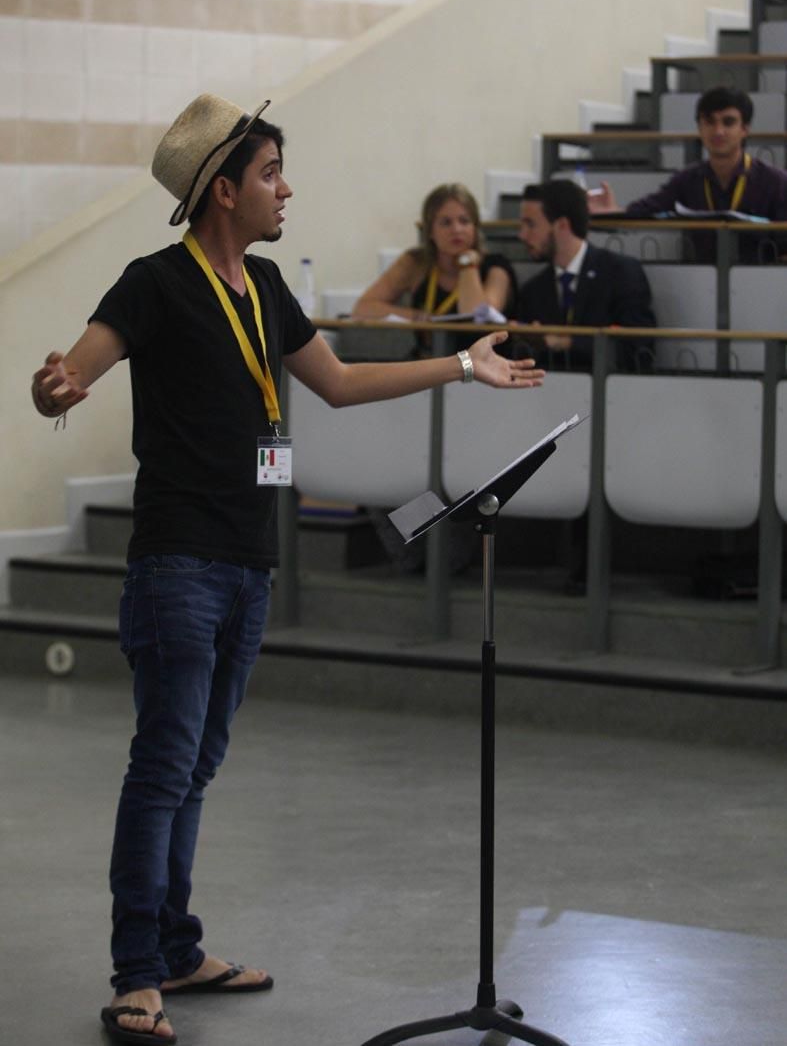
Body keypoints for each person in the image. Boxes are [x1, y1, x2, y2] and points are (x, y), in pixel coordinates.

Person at [30, 94, 544, 1046]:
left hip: (246, 563)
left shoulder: (265, 286)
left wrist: (462, 367)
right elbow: (74, 370)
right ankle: (137, 973)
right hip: (176, 564)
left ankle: (177, 947)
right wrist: (49, 383)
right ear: (222, 191)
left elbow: (341, 384)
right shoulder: (151, 283)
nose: (285, 189)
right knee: (163, 768)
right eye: (271, 174)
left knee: (197, 768)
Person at [587, 86, 787, 263]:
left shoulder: (775, 182)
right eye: (709, 122)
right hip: (702, 282)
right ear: (699, 128)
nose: (718, 131)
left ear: (744, 129)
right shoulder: (687, 179)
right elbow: (647, 209)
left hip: (762, 282)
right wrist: (615, 213)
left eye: (728, 122)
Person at [352, 182, 516, 350]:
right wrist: (416, 317)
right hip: (429, 363)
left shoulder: (496, 266)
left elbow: (477, 317)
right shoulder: (415, 262)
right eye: (446, 223)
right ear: (430, 231)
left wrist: (467, 265)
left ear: (475, 228)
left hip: (483, 365)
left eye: (464, 221)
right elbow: (363, 308)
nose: (457, 229)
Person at [516, 179, 656, 372]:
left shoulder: (620, 273)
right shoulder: (533, 290)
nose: (522, 235)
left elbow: (637, 349)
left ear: (562, 225)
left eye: (531, 225)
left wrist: (568, 342)